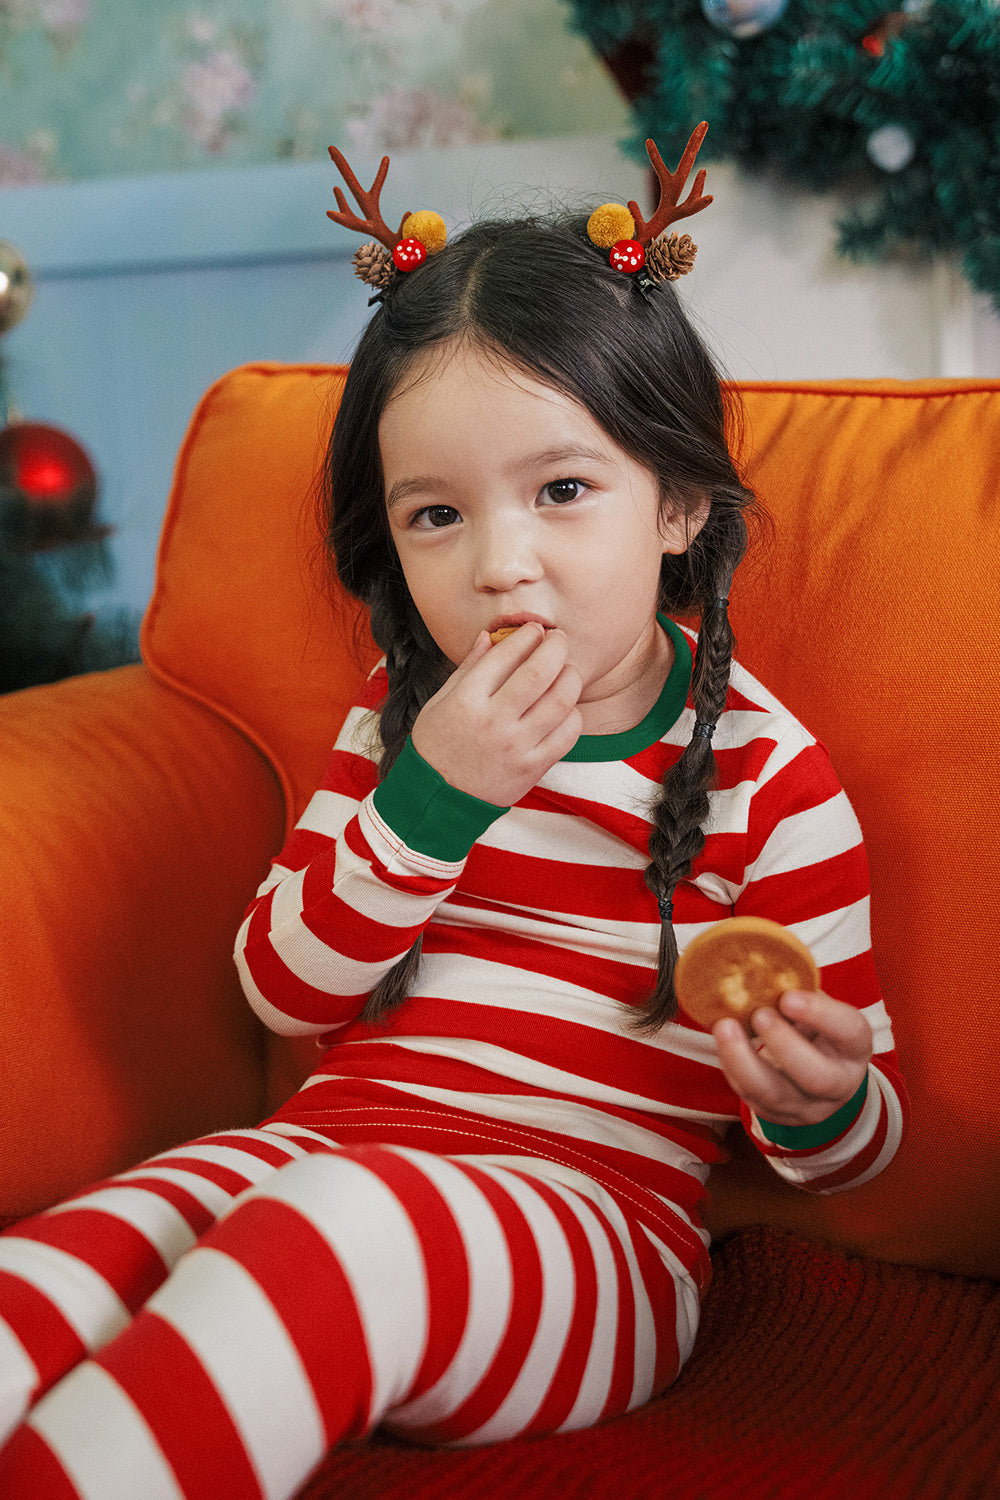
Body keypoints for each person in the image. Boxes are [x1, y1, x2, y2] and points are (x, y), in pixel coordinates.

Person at [0, 134, 907, 1499]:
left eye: (561, 491)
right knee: (54, 1271)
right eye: (436, 515)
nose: (500, 566)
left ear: (675, 503)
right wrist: (437, 795)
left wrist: (825, 1095)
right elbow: (286, 990)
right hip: (332, 1144)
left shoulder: (767, 773)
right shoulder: (401, 719)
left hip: (599, 1238)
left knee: (327, 1226)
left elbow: (855, 1142)